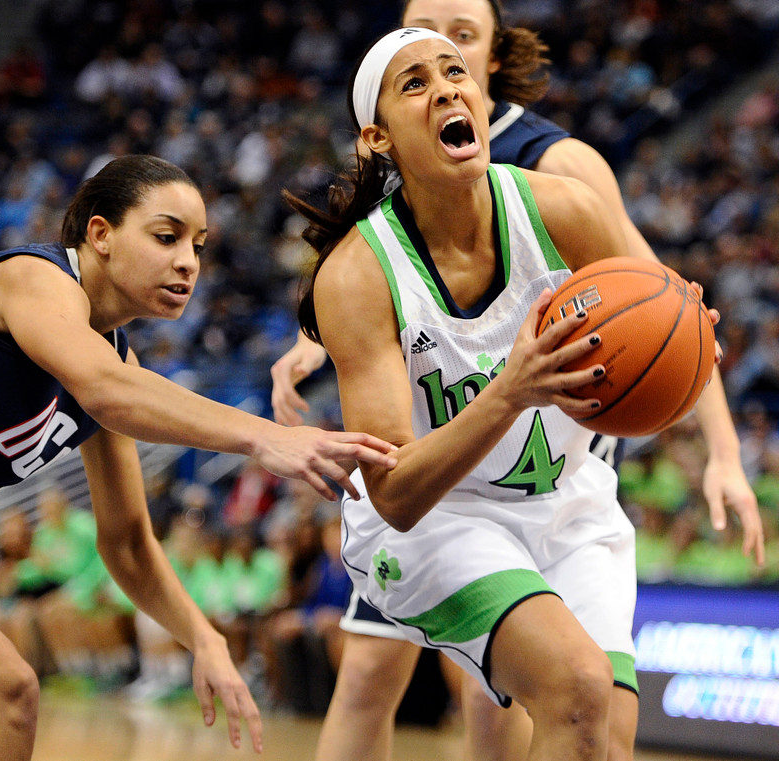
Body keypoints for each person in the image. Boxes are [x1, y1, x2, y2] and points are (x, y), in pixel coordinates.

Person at [0, 154, 401, 761]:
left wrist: (204, 639)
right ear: (100, 233)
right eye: (167, 236)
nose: (188, 262)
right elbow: (109, 391)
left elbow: (127, 543)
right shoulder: (35, 280)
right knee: (4, 693)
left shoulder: (110, 365)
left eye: (199, 246)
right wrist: (263, 435)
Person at [271, 2, 764, 760]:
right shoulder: (358, 274)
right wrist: (512, 388)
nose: (445, 89)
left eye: (455, 72)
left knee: (605, 731)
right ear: (377, 139)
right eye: (414, 83)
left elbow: (664, 310)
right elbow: (396, 493)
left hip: (566, 501)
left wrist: (689, 356)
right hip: (438, 517)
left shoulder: (564, 201)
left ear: (486, 87)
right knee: (571, 686)